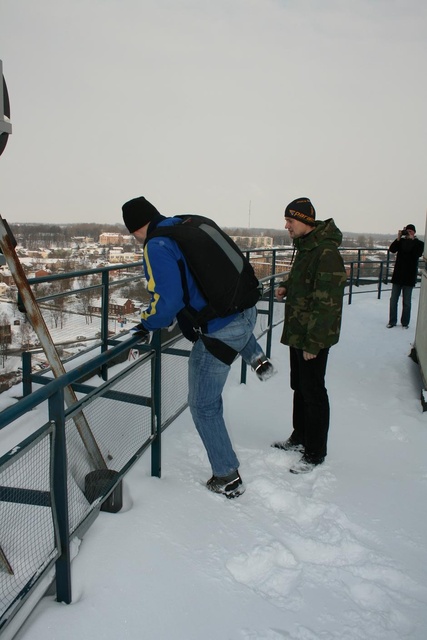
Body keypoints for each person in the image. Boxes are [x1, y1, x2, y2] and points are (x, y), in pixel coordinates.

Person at [121, 196, 275, 498]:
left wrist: (146, 324)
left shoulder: (156, 245)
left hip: (223, 329)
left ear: (135, 229)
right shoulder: (186, 223)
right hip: (246, 310)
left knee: (203, 405)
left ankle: (227, 476)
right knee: (235, 330)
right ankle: (258, 359)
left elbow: (168, 303)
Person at [273, 197, 347, 474]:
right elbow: (302, 278)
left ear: (304, 221)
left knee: (314, 391)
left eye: (290, 221)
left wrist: (314, 343)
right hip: (298, 330)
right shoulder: (306, 247)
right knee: (299, 386)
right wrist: (285, 286)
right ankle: (300, 436)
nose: (286, 226)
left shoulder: (326, 252)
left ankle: (315, 452)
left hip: (312, 335)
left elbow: (327, 302)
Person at [387, 224, 424, 329]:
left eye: (411, 231)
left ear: (414, 232)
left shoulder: (419, 243)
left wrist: (412, 240)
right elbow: (392, 249)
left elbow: (418, 253)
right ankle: (392, 321)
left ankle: (405, 323)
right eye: (407, 231)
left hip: (409, 276)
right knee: (393, 300)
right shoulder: (401, 242)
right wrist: (398, 238)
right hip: (398, 275)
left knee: (407, 302)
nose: (409, 233)